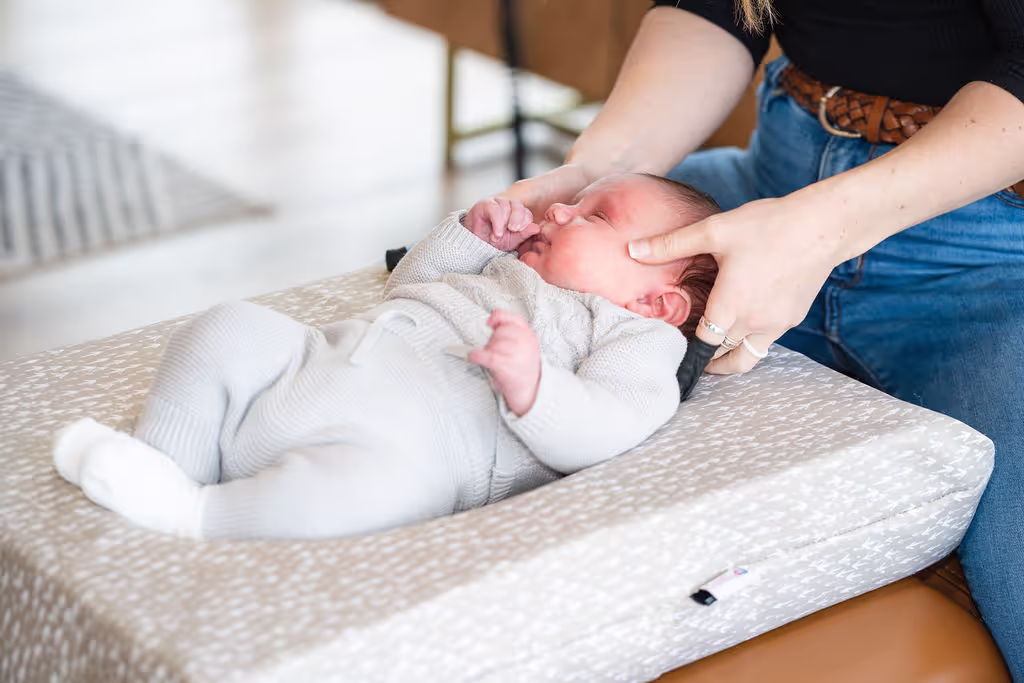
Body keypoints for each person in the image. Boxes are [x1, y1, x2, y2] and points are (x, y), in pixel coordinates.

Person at [501, 1, 1024, 676]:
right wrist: (592, 175)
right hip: (768, 187)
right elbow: (717, 10)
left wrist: (823, 227)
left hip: (992, 255)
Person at [51, 173, 719, 541]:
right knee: (225, 329)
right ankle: (166, 462)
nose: (561, 213)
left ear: (658, 302)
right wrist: (467, 237)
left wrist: (535, 386)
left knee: (376, 493)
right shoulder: (505, 267)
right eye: (573, 202)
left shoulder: (639, 341)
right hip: (319, 360)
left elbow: (610, 423)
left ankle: (192, 514)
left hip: (412, 445)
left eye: (594, 217)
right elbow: (410, 286)